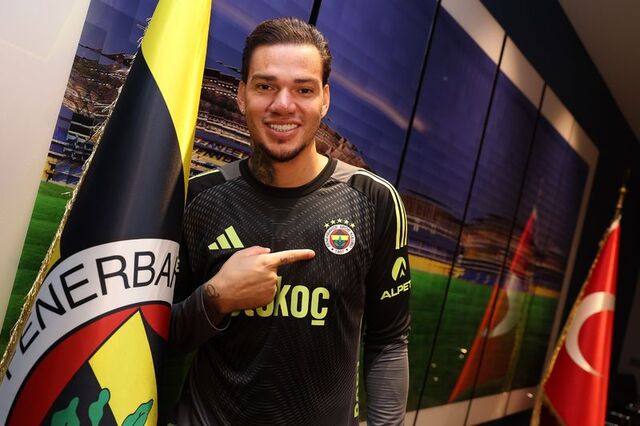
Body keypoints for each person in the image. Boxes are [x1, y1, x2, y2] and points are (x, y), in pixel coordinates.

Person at [170, 16, 411, 425]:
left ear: (325, 100)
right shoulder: (198, 198)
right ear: (242, 95)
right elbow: (153, 334)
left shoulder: (374, 200)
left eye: (303, 89)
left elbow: (388, 341)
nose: (283, 104)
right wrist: (216, 298)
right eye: (265, 86)